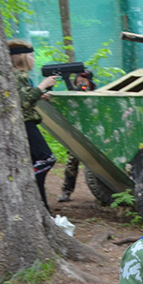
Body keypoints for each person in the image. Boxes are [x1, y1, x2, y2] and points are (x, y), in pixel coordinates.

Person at [8, 39, 58, 210]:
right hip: (25, 124)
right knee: (46, 159)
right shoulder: (18, 75)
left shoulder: (15, 75)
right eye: (30, 55)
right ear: (21, 57)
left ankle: (42, 208)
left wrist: (39, 93)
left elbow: (21, 96)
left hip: (21, 125)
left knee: (36, 161)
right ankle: (29, 182)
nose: (33, 59)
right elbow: (24, 102)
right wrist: (43, 85)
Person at [58, 70, 96, 203]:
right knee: (72, 164)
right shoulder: (73, 95)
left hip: (94, 135)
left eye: (83, 82)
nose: (81, 84)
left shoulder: (96, 95)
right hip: (78, 134)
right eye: (78, 82)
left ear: (90, 83)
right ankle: (66, 191)